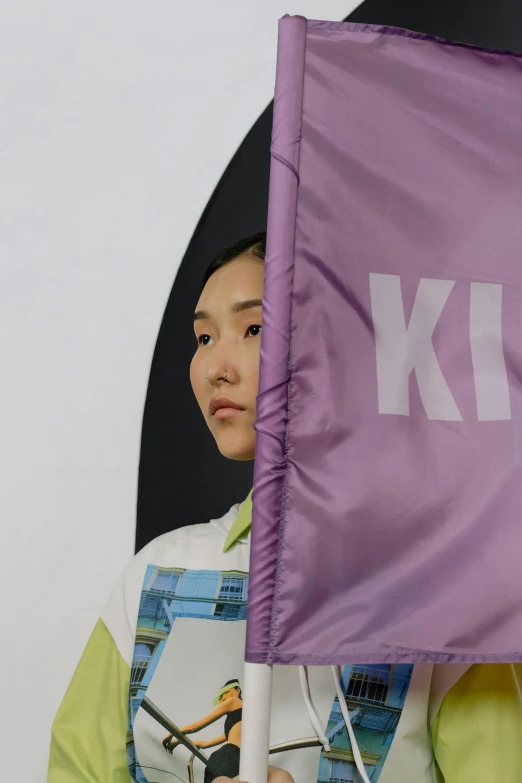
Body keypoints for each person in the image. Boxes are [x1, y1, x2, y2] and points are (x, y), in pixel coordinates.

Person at [48, 232, 522, 783]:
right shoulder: (154, 580)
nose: (214, 368)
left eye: (253, 328)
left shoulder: (441, 594)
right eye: (203, 337)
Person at [162, 679, 243, 782]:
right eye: (221, 696)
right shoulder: (240, 723)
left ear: (238, 690)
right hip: (242, 762)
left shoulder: (233, 701)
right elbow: (205, 744)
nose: (224, 697)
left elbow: (194, 727)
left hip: (229, 756)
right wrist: (177, 742)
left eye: (227, 692)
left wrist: (172, 733)